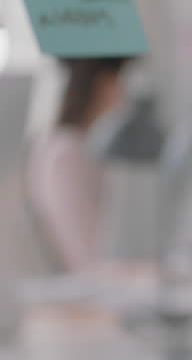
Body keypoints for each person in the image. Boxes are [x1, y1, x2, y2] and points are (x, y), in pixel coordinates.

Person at [25, 56, 131, 273]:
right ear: (106, 84)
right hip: (88, 291)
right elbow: (89, 258)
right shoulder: (66, 154)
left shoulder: (68, 145)